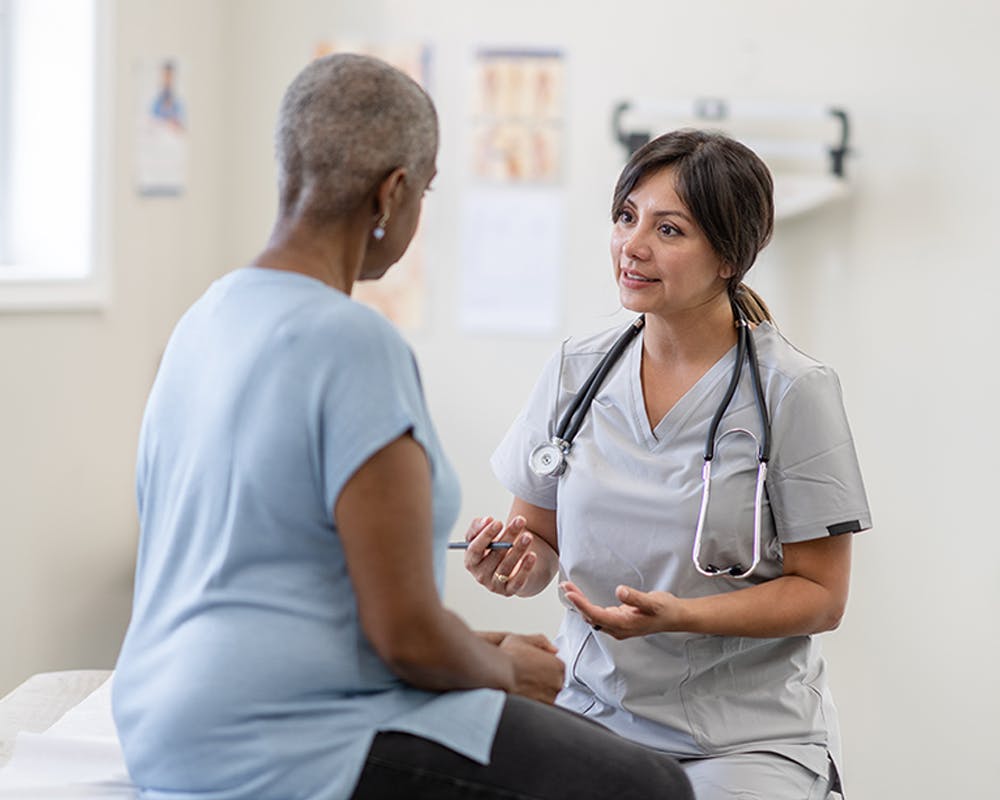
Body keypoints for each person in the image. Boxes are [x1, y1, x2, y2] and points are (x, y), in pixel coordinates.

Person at [111, 54, 693, 800]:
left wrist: (475, 646)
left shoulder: (206, 318)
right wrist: (506, 670)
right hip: (286, 740)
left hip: (163, 722)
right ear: (392, 192)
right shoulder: (352, 343)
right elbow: (406, 636)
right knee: (652, 787)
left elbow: (280, 588)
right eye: (424, 191)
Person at [463, 129, 871, 800]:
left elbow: (822, 596)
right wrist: (512, 564)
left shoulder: (793, 390)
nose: (633, 245)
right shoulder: (576, 371)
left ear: (728, 256)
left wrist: (683, 615)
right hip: (590, 714)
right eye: (626, 217)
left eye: (669, 229)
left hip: (743, 738)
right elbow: (536, 542)